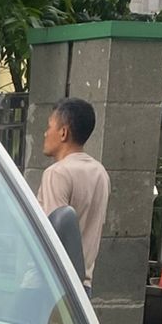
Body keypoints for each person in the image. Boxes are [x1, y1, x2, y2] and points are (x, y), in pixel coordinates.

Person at [38, 97, 109, 287]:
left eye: (49, 126)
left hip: (51, 285)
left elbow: (53, 235)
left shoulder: (56, 173)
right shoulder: (100, 172)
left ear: (63, 132)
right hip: (82, 288)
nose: (45, 133)